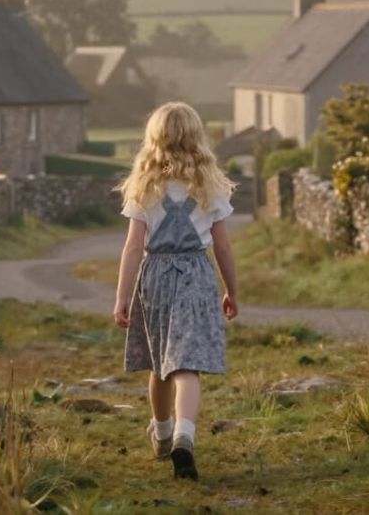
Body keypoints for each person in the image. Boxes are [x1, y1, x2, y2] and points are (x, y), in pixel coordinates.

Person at [113, 101, 239, 481]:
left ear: (154, 137)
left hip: (155, 277)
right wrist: (231, 290)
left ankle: (163, 433)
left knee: (159, 364)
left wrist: (121, 298)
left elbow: (133, 247)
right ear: (195, 136)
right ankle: (186, 435)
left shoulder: (144, 186)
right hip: (197, 276)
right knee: (187, 364)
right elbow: (222, 246)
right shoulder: (209, 184)